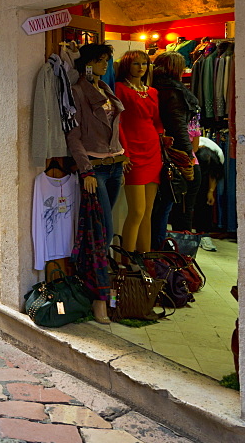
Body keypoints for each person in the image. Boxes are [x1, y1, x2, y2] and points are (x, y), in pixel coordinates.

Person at [65, 42, 125, 323]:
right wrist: (86, 170)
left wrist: (123, 154)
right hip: (96, 170)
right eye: (100, 60)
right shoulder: (78, 91)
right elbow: (73, 135)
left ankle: (104, 294)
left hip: (115, 166)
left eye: (106, 61)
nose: (104, 65)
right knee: (103, 233)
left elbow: (114, 127)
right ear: (87, 64)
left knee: (106, 231)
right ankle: (101, 298)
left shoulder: (106, 90)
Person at [114, 50, 163, 256]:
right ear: (127, 65)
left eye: (144, 63)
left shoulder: (152, 91)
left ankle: (145, 259)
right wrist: (124, 152)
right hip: (132, 150)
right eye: (136, 63)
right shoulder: (119, 89)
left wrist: (164, 138)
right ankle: (127, 262)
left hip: (153, 149)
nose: (141, 67)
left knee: (148, 213)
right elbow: (118, 122)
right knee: (136, 212)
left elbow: (157, 121)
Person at [150, 51, 200, 249]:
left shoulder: (155, 88)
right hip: (175, 155)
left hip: (162, 152)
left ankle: (161, 250)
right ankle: (171, 253)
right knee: (177, 208)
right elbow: (179, 126)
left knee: (161, 208)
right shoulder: (173, 92)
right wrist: (188, 155)